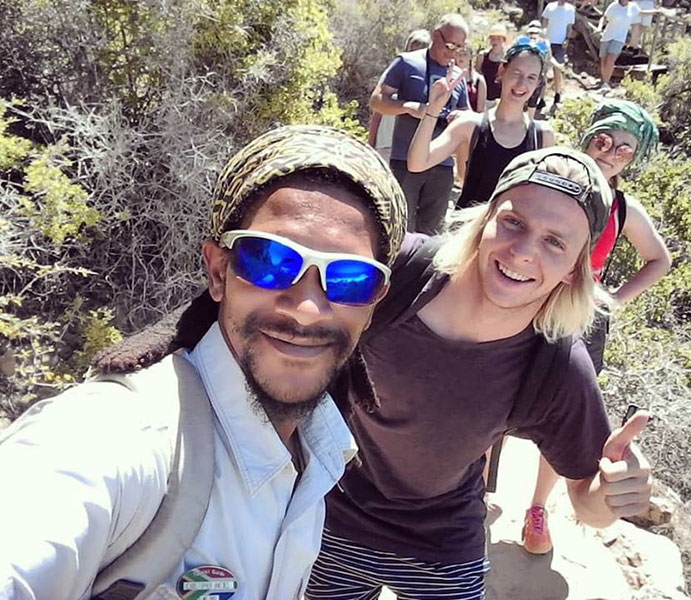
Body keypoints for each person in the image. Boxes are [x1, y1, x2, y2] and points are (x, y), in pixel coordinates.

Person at [0, 125, 408, 600]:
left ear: (374, 304)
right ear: (218, 271)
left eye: (352, 279)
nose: (306, 309)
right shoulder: (116, 438)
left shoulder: (323, 449)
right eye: (269, 260)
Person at [306, 147, 653, 599]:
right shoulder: (398, 272)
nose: (523, 252)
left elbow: (587, 503)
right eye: (514, 222)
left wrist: (611, 494)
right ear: (485, 218)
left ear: (574, 269)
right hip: (330, 518)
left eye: (555, 242)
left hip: (442, 544)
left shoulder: (555, 363)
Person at [522, 100, 671, 555]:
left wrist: (612, 300)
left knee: (561, 417)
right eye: (605, 141)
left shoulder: (624, 209)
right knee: (496, 391)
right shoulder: (555, 183)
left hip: (580, 320)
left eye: (625, 149)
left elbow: (659, 259)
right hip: (527, 301)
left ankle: (537, 508)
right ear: (589, 137)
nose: (611, 154)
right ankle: (477, 488)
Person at [408, 38, 555, 211]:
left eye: (531, 77)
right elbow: (417, 163)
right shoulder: (470, 125)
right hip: (469, 226)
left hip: (512, 228)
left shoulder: (542, 136)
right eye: (517, 73)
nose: (522, 84)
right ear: (502, 70)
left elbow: (543, 199)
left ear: (538, 83)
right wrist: (433, 109)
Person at [369, 14, 469, 235]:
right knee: (398, 227)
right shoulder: (407, 63)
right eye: (450, 45)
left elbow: (466, 112)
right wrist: (408, 107)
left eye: (459, 48)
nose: (453, 53)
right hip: (404, 161)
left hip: (442, 165)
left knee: (431, 235)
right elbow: (376, 101)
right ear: (436, 35)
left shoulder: (456, 74)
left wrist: (458, 117)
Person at [369, 29, 432, 161]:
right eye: (413, 49)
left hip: (411, 149)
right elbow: (377, 113)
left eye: (421, 49)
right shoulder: (393, 76)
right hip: (385, 144)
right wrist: (370, 145)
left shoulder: (428, 84)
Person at [597, 0, 672, 90]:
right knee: (604, 60)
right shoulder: (613, 6)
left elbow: (642, 13)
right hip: (607, 36)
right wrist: (599, 28)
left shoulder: (632, 7)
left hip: (619, 38)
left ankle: (606, 82)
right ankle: (604, 81)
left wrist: (658, 10)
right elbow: (604, 17)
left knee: (611, 59)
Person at [453, 44, 487, 186]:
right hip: (447, 123)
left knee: (462, 171)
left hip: (467, 127)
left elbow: (480, 110)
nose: (461, 57)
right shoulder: (447, 76)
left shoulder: (478, 80)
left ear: (470, 57)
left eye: (465, 54)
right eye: (459, 53)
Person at [541, 0, 576, 108]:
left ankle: (557, 94)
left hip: (560, 43)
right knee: (543, 71)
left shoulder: (570, 9)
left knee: (557, 69)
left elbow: (569, 26)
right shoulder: (550, 6)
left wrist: (567, 39)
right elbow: (544, 21)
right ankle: (541, 98)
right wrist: (543, 35)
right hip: (547, 42)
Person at [475, 23, 509, 105]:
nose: (495, 41)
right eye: (493, 38)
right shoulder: (482, 56)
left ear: (503, 40)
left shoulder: (508, 58)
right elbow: (476, 75)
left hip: (501, 100)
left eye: (498, 38)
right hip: (483, 98)